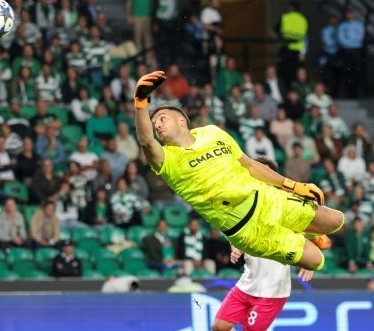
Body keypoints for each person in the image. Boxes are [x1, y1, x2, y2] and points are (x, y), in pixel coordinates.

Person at [133, 70, 344, 271]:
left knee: (336, 220)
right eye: (153, 124)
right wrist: (141, 102)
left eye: (162, 118)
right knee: (317, 261)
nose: (157, 125)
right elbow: (146, 140)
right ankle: (302, 234)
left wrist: (293, 185)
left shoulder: (212, 132)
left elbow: (250, 165)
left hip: (266, 199)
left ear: (181, 120)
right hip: (247, 230)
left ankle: (306, 230)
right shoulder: (166, 160)